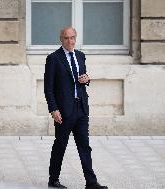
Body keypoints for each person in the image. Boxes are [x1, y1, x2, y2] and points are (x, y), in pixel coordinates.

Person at [44, 26, 108, 189]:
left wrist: (86, 80)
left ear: (76, 38)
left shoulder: (80, 56)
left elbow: (84, 80)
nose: (70, 41)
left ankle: (91, 182)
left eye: (72, 37)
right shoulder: (53, 59)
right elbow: (48, 88)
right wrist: (53, 109)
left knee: (84, 146)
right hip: (64, 111)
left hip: (81, 108)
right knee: (60, 145)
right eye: (66, 38)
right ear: (61, 39)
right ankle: (53, 179)